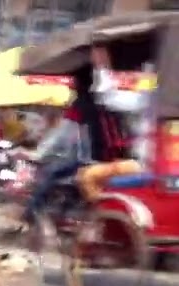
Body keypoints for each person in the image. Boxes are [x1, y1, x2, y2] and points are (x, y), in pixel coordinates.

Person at [76, 46, 147, 201]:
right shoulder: (147, 100)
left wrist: (101, 67)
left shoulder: (146, 100)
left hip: (142, 165)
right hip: (138, 161)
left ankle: (101, 214)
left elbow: (108, 98)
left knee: (87, 176)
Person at [21, 106, 83, 228]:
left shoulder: (61, 129)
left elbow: (42, 153)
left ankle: (31, 213)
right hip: (72, 162)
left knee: (44, 180)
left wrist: (23, 153)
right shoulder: (65, 126)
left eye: (45, 115)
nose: (43, 118)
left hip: (67, 163)